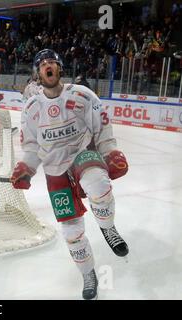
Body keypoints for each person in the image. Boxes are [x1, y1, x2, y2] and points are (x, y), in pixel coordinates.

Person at [10, 49, 129, 300]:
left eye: (52, 62)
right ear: (37, 72)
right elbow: (31, 147)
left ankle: (108, 228)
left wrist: (110, 152)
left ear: (60, 68)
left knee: (97, 182)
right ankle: (88, 274)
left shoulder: (82, 95)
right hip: (55, 169)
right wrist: (26, 168)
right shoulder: (31, 107)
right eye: (42, 65)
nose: (48, 67)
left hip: (82, 153)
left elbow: (102, 127)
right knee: (71, 233)